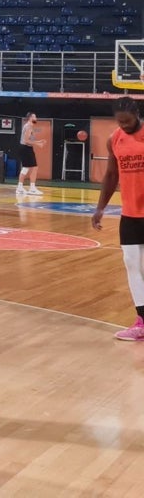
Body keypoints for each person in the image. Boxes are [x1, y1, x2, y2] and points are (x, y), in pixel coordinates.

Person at [91, 96, 144, 341]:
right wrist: (100, 208)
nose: (124, 126)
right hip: (130, 213)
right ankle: (141, 322)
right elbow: (112, 175)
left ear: (137, 115)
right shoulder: (115, 139)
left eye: (128, 122)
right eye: (120, 122)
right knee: (131, 263)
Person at [17, 112, 45, 196]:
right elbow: (26, 140)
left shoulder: (29, 126)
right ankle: (30, 188)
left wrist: (38, 141)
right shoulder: (29, 126)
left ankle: (21, 187)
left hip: (26, 148)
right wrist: (38, 144)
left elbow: (29, 140)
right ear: (30, 118)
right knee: (31, 167)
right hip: (25, 148)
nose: (36, 118)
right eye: (34, 116)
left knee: (28, 168)